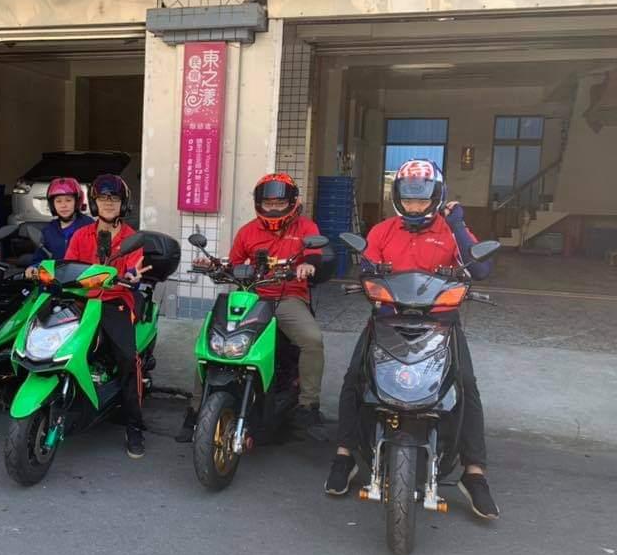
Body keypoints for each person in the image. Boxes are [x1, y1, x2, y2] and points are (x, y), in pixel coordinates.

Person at [324, 159, 499, 520]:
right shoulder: (383, 230)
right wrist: (370, 274)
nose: (415, 207)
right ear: (397, 198)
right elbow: (366, 268)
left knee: (465, 385)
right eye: (409, 200)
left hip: (441, 323)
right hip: (388, 319)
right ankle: (344, 454)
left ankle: (474, 472)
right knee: (355, 378)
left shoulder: (450, 229)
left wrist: (458, 224)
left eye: (422, 200)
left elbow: (480, 268)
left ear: (437, 197)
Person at [188, 173, 326, 434]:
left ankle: (308, 404)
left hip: (288, 297)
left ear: (292, 203)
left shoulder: (306, 228)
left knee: (312, 339)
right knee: (209, 343)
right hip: (252, 296)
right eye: (268, 203)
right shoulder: (248, 231)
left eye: (279, 203)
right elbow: (234, 263)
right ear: (259, 204)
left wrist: (307, 266)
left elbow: (314, 256)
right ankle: (195, 408)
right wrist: (213, 265)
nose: (273, 209)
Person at [64, 174, 150, 459]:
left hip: (115, 303)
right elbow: (69, 266)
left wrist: (132, 277)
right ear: (94, 203)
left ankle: (134, 425)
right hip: (83, 302)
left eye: (114, 199)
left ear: (124, 204)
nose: (109, 203)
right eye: (103, 198)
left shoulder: (131, 238)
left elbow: (134, 271)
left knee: (128, 359)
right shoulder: (81, 235)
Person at [24, 177, 93, 278]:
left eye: (68, 200)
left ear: (77, 202)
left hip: (85, 280)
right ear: (52, 205)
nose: (63, 205)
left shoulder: (89, 226)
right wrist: (33, 267)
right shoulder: (48, 231)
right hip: (55, 281)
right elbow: (40, 259)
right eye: (58, 201)